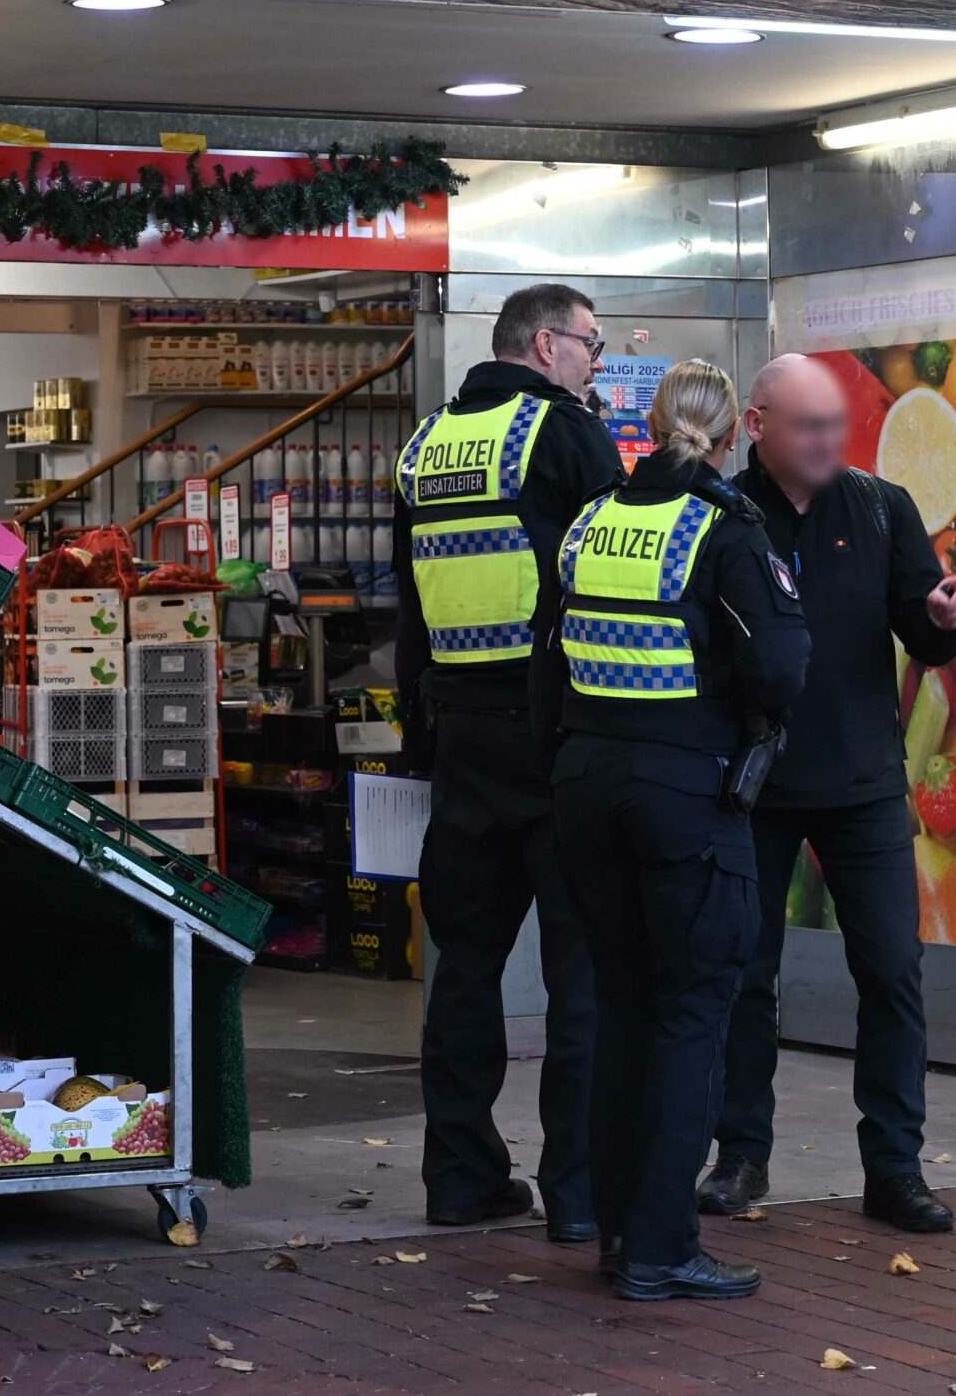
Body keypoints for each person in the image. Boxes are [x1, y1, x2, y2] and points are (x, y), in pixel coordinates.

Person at [535, 359, 810, 1301]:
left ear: (647, 425)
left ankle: (617, 1232)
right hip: (684, 798)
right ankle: (661, 1244)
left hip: (585, 787)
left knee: (620, 1011)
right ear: (733, 437)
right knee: (693, 1012)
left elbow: (550, 651)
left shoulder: (594, 519)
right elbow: (778, 667)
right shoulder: (726, 529)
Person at [699, 354, 956, 1234]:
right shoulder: (720, 516)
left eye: (836, 426)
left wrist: (943, 624)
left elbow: (920, 623)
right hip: (753, 783)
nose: (828, 442)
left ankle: (894, 1167)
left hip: (861, 781)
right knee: (745, 975)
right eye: (808, 427)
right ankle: (741, 1155)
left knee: (892, 970)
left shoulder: (880, 507)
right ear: (756, 425)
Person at [393, 283, 621, 1240]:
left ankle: (460, 1178)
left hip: (462, 746)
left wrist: (420, 744)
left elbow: (406, 607)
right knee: (582, 974)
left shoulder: (425, 445)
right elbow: (614, 578)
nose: (596, 363)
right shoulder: (563, 435)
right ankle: (575, 1193)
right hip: (555, 739)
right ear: (543, 343)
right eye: (591, 345)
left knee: (463, 972)